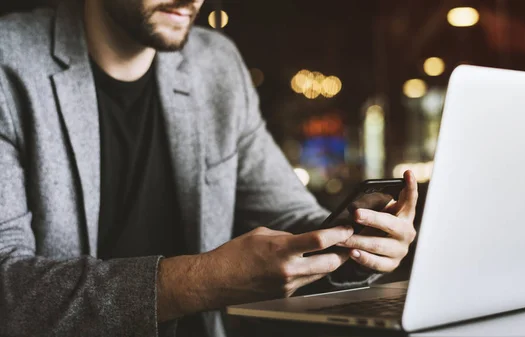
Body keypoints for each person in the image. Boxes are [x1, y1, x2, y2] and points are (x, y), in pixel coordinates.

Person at [0, 0, 418, 336]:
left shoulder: (215, 64)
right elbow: (8, 288)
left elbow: (292, 219)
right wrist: (203, 279)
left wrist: (362, 238)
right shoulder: (10, 62)